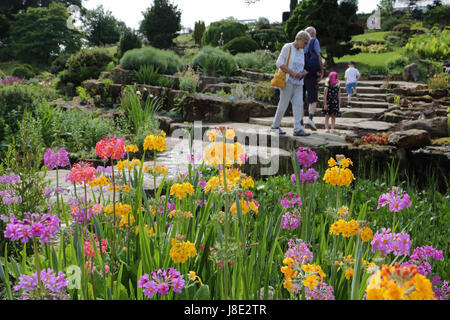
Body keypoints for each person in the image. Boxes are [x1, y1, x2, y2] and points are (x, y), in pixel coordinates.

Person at [271, 30, 311, 137]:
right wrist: (292, 72)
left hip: (298, 82)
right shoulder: (287, 47)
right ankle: (275, 126)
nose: (306, 45)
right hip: (287, 80)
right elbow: (279, 63)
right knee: (283, 104)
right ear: (299, 39)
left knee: (299, 104)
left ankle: (298, 129)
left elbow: (299, 65)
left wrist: (303, 72)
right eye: (305, 43)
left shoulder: (301, 50)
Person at [302, 26, 324, 132]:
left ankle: (300, 122)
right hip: (311, 74)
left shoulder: (300, 42)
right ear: (313, 34)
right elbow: (318, 56)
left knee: (299, 99)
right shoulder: (314, 40)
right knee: (313, 98)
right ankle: (310, 119)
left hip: (300, 74)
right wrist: (321, 71)